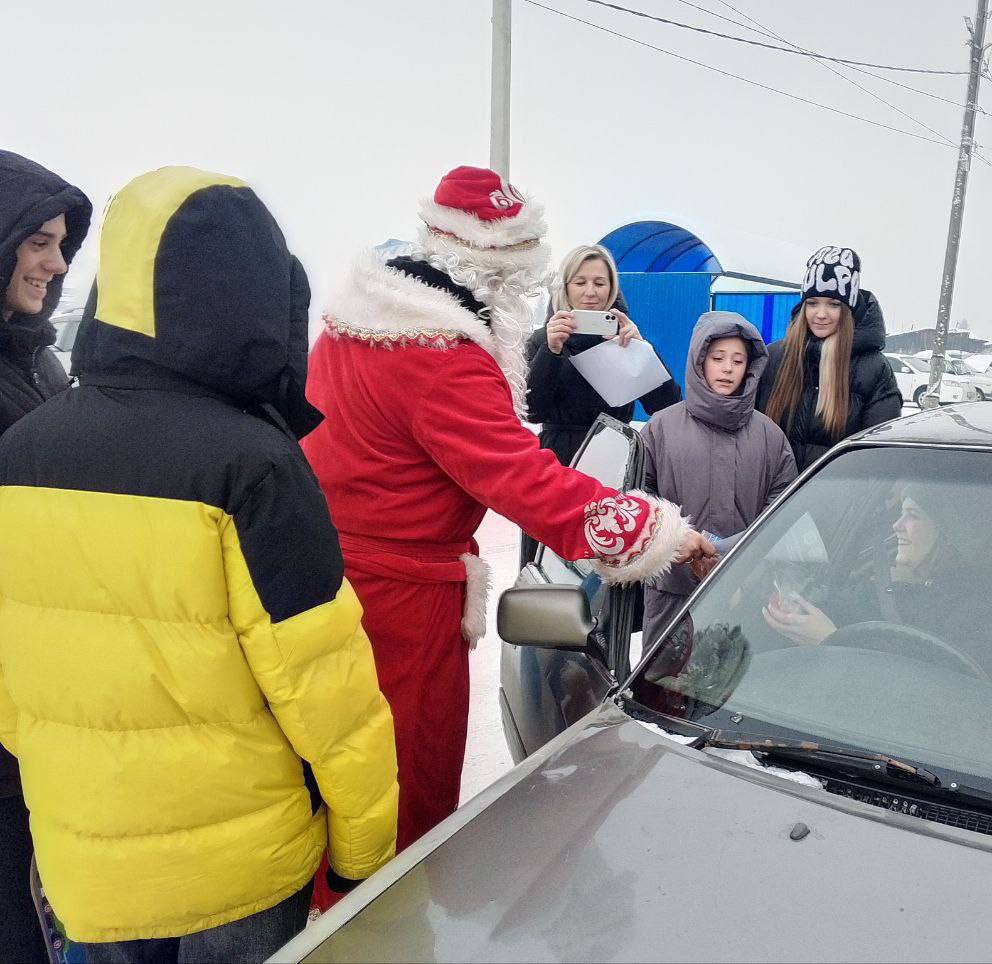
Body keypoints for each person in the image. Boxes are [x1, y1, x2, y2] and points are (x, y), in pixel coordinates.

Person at [0, 166, 399, 962]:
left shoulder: (21, 448)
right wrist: (364, 851)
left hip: (89, 865)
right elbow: (326, 687)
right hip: (238, 873)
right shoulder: (256, 465)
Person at [301, 166, 713, 908]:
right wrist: (658, 531)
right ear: (498, 268)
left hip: (329, 588)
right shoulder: (440, 357)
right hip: (403, 611)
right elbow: (526, 480)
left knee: (336, 793)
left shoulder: (343, 328)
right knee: (401, 808)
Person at [0, 149, 92, 964]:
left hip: (33, 674)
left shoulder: (38, 356)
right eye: (35, 241)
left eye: (60, 244)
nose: (55, 264)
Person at [641, 311, 797, 646]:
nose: (728, 368)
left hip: (745, 595)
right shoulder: (660, 428)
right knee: (663, 687)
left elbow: (785, 508)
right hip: (672, 595)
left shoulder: (769, 436)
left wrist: (749, 559)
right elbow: (640, 501)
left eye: (738, 360)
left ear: (750, 369)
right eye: (718, 358)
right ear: (700, 360)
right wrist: (672, 539)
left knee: (734, 688)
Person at [762, 481, 992, 647]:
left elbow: (931, 689)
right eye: (901, 513)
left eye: (913, 515)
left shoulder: (982, 611)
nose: (897, 525)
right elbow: (845, 609)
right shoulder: (882, 583)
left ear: (949, 532)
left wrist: (830, 641)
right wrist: (801, 612)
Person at [526, 244, 682, 466]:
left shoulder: (624, 338)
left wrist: (642, 350)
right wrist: (550, 352)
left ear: (612, 288)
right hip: (558, 461)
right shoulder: (543, 339)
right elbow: (532, 412)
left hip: (614, 457)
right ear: (566, 287)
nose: (590, 292)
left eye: (599, 283)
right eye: (580, 282)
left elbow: (668, 406)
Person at [756, 246, 902, 471]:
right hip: (778, 499)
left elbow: (877, 455)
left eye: (833, 304)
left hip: (838, 499)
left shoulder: (874, 369)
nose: (821, 314)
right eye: (812, 303)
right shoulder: (775, 357)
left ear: (849, 310)